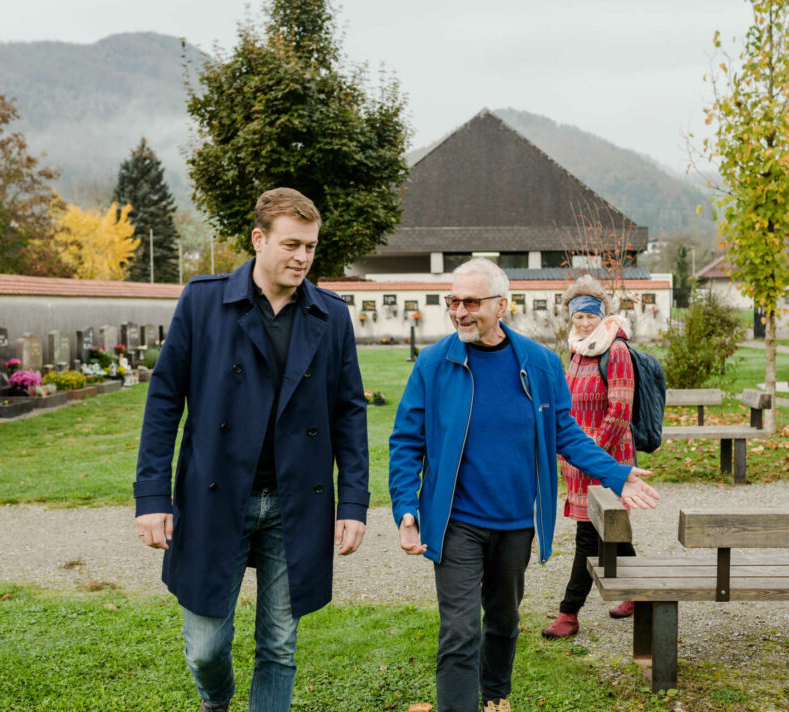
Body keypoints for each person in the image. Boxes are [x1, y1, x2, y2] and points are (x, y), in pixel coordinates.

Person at [134, 187, 369, 712]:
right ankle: (216, 703)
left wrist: (353, 503)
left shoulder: (331, 315)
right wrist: (151, 495)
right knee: (205, 650)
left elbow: (349, 413)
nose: (302, 257)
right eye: (291, 244)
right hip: (216, 495)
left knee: (280, 647)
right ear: (258, 240)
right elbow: (164, 401)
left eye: (310, 247)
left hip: (296, 501)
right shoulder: (203, 300)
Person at [388, 258, 659, 712]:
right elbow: (405, 442)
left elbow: (565, 432)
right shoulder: (435, 364)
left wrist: (616, 472)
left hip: (515, 522)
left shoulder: (537, 362)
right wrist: (406, 508)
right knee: (459, 629)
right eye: (452, 302)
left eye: (471, 302)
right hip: (456, 521)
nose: (459, 312)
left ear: (502, 305)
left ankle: (495, 697)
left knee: (503, 620)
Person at [542, 276, 639, 641]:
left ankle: (569, 614)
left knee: (588, 534)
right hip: (578, 459)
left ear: (603, 315)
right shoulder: (579, 349)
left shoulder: (615, 351)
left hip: (605, 458)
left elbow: (619, 412)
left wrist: (591, 457)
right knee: (607, 530)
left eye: (590, 315)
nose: (584, 322)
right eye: (578, 316)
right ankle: (637, 592)